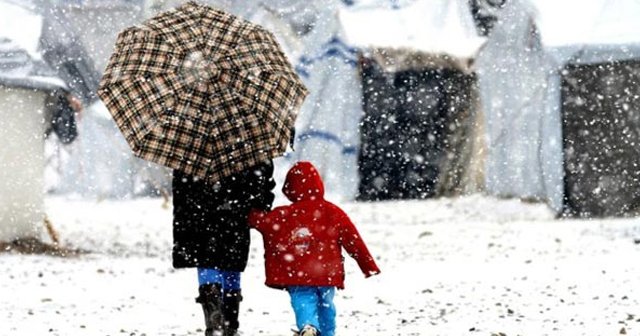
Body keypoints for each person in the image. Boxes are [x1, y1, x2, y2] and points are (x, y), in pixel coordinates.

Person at [249, 161, 381, 336]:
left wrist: (248, 210)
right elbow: (353, 241)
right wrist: (368, 265)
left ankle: (308, 326)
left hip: (296, 274)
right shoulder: (333, 212)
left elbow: (261, 222)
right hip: (327, 273)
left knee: (303, 300)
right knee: (326, 305)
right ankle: (327, 332)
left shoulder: (283, 215)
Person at [172, 160, 276, 336]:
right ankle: (230, 322)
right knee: (231, 260)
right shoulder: (246, 143)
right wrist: (260, 203)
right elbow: (262, 175)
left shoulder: (190, 145)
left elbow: (181, 185)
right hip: (235, 212)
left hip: (198, 214)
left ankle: (215, 322)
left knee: (206, 259)